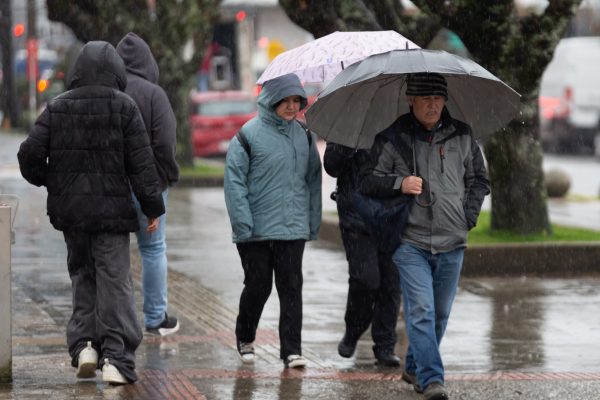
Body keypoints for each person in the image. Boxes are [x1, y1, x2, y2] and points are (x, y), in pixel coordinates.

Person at [17, 41, 165, 385]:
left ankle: (85, 345)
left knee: (82, 275)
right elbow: (142, 165)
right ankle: (117, 357)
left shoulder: (57, 107)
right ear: (117, 72)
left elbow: (28, 156)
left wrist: (53, 181)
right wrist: (152, 207)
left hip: (72, 214)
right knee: (115, 283)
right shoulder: (125, 107)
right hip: (112, 214)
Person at [359, 73, 490, 400]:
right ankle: (432, 380)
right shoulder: (393, 138)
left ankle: (415, 367)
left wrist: (467, 217)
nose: (433, 105)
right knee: (421, 312)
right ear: (411, 100)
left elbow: (478, 180)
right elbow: (367, 181)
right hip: (409, 242)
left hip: (453, 241)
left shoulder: (462, 134)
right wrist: (399, 184)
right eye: (425, 99)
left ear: (445, 100)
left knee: (440, 314)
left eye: (438, 98)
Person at [224, 73, 322, 369]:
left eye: (297, 101)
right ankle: (245, 335)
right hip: (254, 231)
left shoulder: (305, 135)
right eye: (287, 101)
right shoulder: (247, 135)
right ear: (272, 100)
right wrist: (243, 224)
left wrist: (311, 221)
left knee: (291, 287)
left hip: (292, 228)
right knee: (258, 285)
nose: (293, 107)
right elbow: (234, 182)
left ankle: (292, 349)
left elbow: (313, 181)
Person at [116, 32, 180, 337]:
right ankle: (155, 318)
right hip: (149, 185)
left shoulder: (109, 90)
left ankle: (117, 318)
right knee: (153, 249)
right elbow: (165, 143)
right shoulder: (155, 94)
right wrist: (167, 175)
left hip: (113, 185)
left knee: (113, 252)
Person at [323, 144, 402, 367]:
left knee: (391, 284)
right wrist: (348, 147)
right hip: (356, 217)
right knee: (365, 280)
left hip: (392, 216)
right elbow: (331, 166)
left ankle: (385, 345)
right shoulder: (350, 125)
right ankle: (353, 330)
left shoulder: (399, 124)